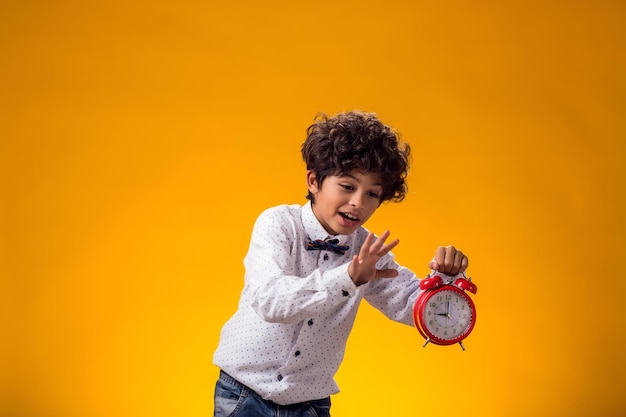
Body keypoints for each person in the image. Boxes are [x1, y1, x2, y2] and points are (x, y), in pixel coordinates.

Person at [212, 110, 468, 417]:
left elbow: (417, 309)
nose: (359, 202)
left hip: (311, 404)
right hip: (243, 395)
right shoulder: (277, 224)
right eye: (347, 186)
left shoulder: (368, 251)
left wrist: (447, 282)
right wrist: (348, 278)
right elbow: (270, 300)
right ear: (314, 181)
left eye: (373, 193)